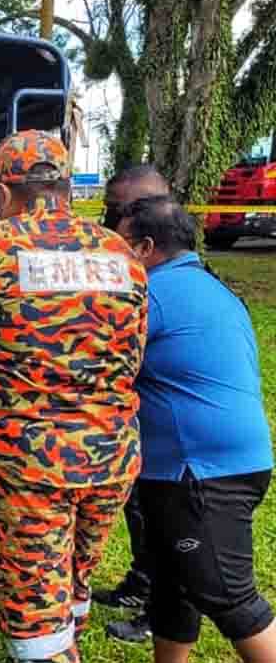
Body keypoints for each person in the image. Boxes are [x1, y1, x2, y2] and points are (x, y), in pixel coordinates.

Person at [0, 130, 148, 663]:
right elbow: (133, 357)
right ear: (66, 187)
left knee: (34, 614)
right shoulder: (121, 253)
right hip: (111, 458)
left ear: (4, 192)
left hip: (28, 463)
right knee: (70, 581)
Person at [114, 196, 276, 663]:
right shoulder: (212, 287)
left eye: (118, 244)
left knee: (230, 599)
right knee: (172, 587)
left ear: (145, 248)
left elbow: (92, 363)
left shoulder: (154, 296)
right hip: (216, 463)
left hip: (202, 473)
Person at [90, 165, 172, 643]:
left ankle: (158, 612)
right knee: (139, 510)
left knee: (164, 520)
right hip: (137, 416)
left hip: (168, 428)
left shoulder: (157, 285)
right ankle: (140, 584)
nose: (108, 221)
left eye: (117, 211)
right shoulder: (138, 272)